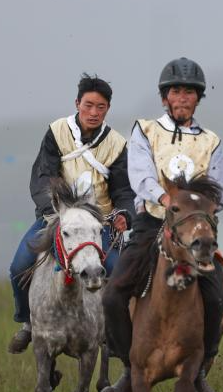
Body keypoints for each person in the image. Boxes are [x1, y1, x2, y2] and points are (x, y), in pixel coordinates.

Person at [101, 57, 223, 392]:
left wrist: (198, 214)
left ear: (197, 99)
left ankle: (200, 368)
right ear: (165, 98)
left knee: (217, 297)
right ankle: (130, 369)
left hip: (193, 231)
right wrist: (166, 198)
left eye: (190, 92)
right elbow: (141, 175)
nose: (183, 97)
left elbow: (222, 188)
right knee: (113, 294)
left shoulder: (211, 140)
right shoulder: (146, 130)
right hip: (153, 224)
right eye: (176, 91)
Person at [8, 74, 134, 354]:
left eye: (100, 107)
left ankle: (113, 334)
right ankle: (27, 323)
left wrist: (125, 213)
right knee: (19, 267)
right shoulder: (57, 132)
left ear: (107, 109)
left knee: (119, 273)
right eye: (88, 105)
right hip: (57, 219)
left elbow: (123, 189)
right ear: (77, 103)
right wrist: (53, 211)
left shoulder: (116, 143)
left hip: (99, 224)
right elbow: (42, 177)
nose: (93, 112)